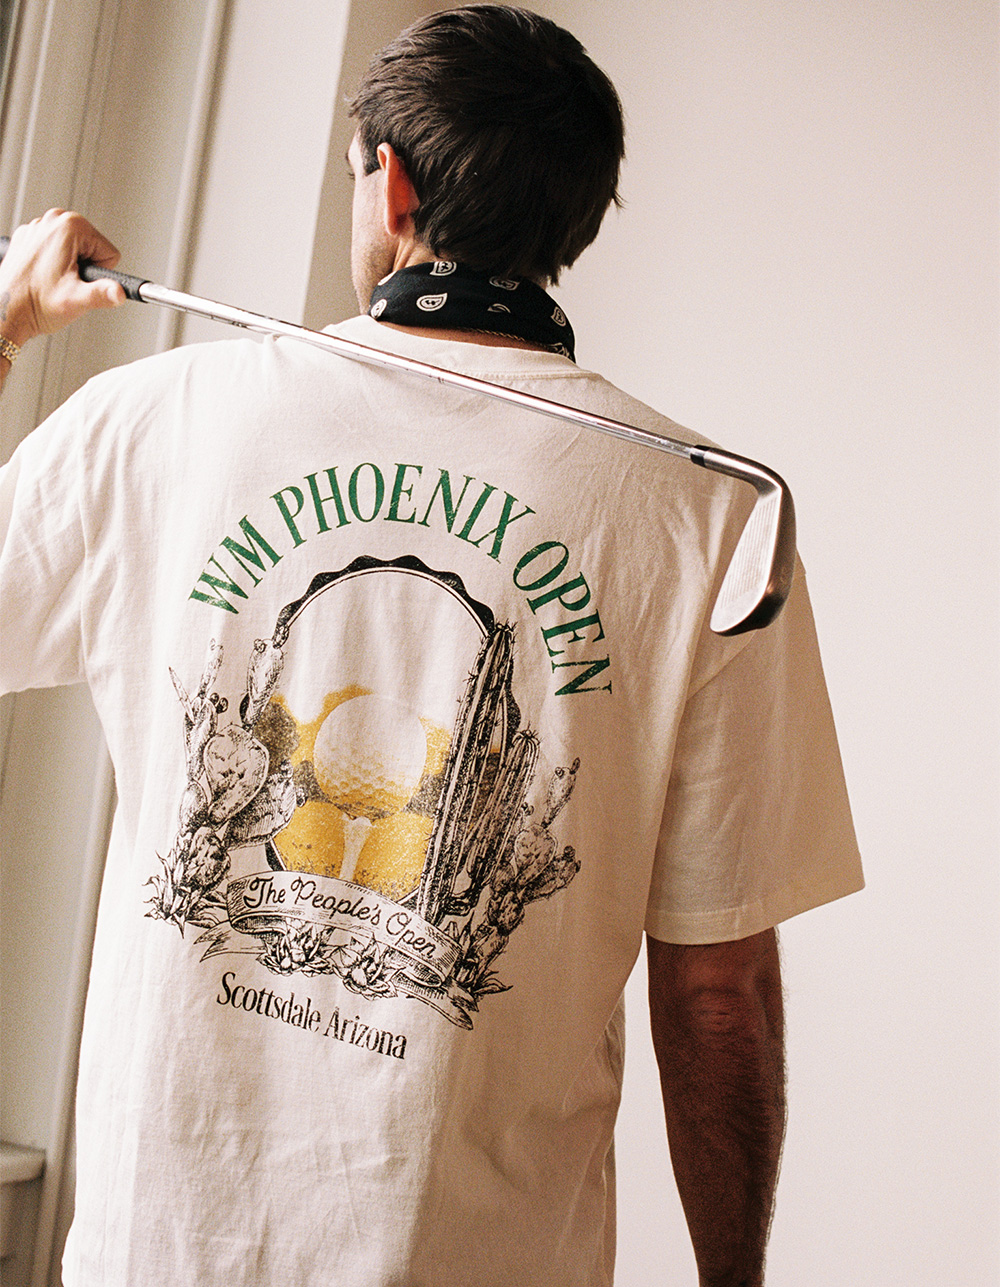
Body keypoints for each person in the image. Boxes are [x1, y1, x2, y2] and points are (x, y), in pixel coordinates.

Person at [0, 7, 863, 1286]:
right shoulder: (712, 523)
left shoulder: (154, 417)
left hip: (166, 1252)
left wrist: (5, 324)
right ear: (575, 219)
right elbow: (717, 989)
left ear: (390, 184)